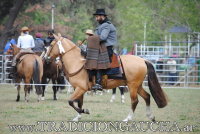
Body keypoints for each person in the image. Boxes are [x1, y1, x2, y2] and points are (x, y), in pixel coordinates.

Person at [85, 9, 117, 91]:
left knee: (98, 62)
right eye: (96, 17)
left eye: (97, 17)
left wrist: (92, 37)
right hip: (101, 48)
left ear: (103, 16)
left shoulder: (106, 25)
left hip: (106, 49)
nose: (96, 18)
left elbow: (103, 37)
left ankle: (98, 83)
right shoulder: (102, 25)